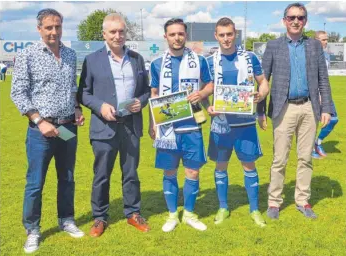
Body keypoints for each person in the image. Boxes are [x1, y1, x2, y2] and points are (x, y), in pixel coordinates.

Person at [10, 8, 85, 254]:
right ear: (39, 29)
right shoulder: (28, 55)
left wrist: (76, 108)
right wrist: (39, 120)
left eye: (58, 27)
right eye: (49, 27)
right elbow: (18, 93)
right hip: (40, 131)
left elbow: (71, 88)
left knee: (68, 179)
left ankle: (67, 220)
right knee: (35, 183)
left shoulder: (70, 54)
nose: (54, 32)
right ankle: (33, 230)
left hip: (67, 129)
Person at [257, 3, 333, 220]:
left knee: (305, 158)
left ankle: (302, 200)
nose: (295, 21)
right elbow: (263, 82)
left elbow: (323, 80)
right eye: (291, 17)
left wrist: (326, 107)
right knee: (279, 158)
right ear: (284, 21)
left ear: (305, 21)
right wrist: (260, 112)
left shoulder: (315, 46)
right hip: (284, 108)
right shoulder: (273, 46)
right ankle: (274, 202)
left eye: (300, 17)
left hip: (310, 108)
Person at [77, 13, 151, 237]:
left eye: (121, 31)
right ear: (104, 34)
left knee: (131, 173)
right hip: (104, 127)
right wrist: (100, 107)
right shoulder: (92, 60)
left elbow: (146, 91)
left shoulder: (137, 59)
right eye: (113, 32)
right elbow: (83, 93)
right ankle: (100, 217)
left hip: (130, 126)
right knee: (102, 175)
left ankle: (133, 213)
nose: (118, 36)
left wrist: (141, 101)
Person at [149, 18, 214, 232]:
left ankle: (189, 213)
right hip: (167, 128)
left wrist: (202, 93)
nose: (177, 37)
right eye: (172, 34)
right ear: (165, 36)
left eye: (180, 34)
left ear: (185, 35)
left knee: (192, 173)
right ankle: (171, 215)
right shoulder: (157, 63)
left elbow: (210, 84)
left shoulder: (199, 60)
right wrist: (152, 124)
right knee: (169, 172)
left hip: (192, 127)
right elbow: (154, 95)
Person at [206, 17, 269, 227]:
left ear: (236, 34)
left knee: (249, 167)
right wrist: (208, 105)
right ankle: (223, 207)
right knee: (220, 168)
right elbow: (203, 90)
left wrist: (260, 95)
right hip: (221, 125)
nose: (226, 39)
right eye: (222, 35)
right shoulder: (209, 61)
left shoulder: (250, 57)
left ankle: (254, 209)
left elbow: (263, 83)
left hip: (245, 125)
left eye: (229, 34)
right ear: (216, 36)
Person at [311, 31, 338, 158]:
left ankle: (317, 142)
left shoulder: (326, 55)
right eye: (323, 40)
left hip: (325, 93)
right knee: (312, 122)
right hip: (315, 94)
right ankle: (310, 148)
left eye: (327, 39)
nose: (326, 42)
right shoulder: (310, 55)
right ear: (316, 40)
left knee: (333, 119)